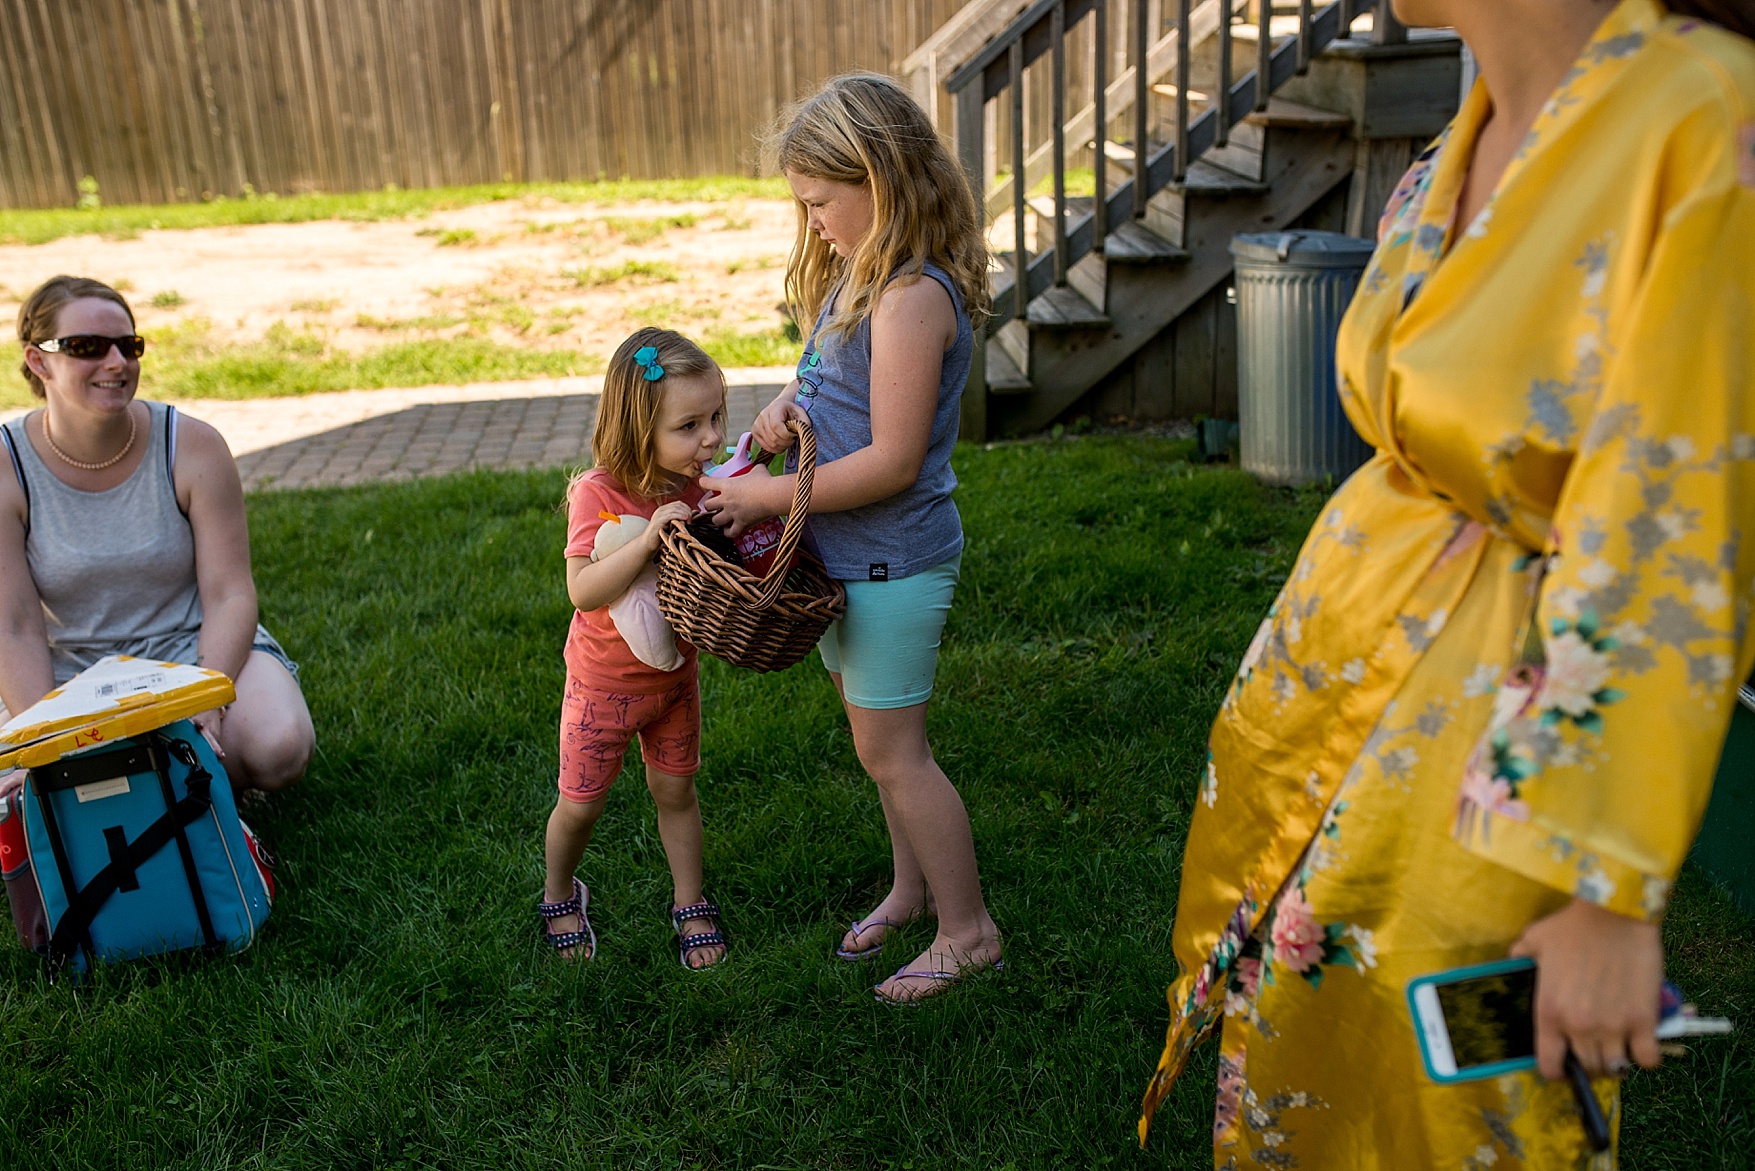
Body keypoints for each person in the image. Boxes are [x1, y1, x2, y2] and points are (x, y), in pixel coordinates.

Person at [1137, 0, 1755, 1164]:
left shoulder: (1703, 119)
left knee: (1459, 1089)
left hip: (1506, 749)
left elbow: (1679, 525)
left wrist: (1604, 895)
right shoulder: (1451, 143)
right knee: (1311, 1041)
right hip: (1344, 677)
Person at [698, 73, 1002, 1004]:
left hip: (892, 557)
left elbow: (895, 460)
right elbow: (841, 392)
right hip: (845, 555)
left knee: (894, 752)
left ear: (878, 178)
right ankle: (911, 890)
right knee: (876, 743)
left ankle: (969, 930)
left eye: (822, 202)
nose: (813, 220)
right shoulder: (860, 279)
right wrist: (791, 407)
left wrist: (767, 498)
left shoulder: (912, 297)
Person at [0, 275, 313, 797]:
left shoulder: (192, 446)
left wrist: (205, 702)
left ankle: (163, 778)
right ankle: (169, 783)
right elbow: (13, 626)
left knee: (277, 746)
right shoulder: (7, 464)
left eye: (129, 345)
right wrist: (45, 745)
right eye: (86, 348)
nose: (117, 363)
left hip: (189, 648)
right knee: (29, 779)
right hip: (68, 666)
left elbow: (230, 594)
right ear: (38, 361)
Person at [540, 328, 729, 969]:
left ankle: (690, 901)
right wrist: (646, 541)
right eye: (689, 425)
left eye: (715, 417)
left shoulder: (699, 485)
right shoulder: (600, 492)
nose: (709, 438)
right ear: (637, 427)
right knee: (580, 803)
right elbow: (582, 589)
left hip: (675, 680)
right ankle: (559, 891)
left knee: (676, 791)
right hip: (603, 688)